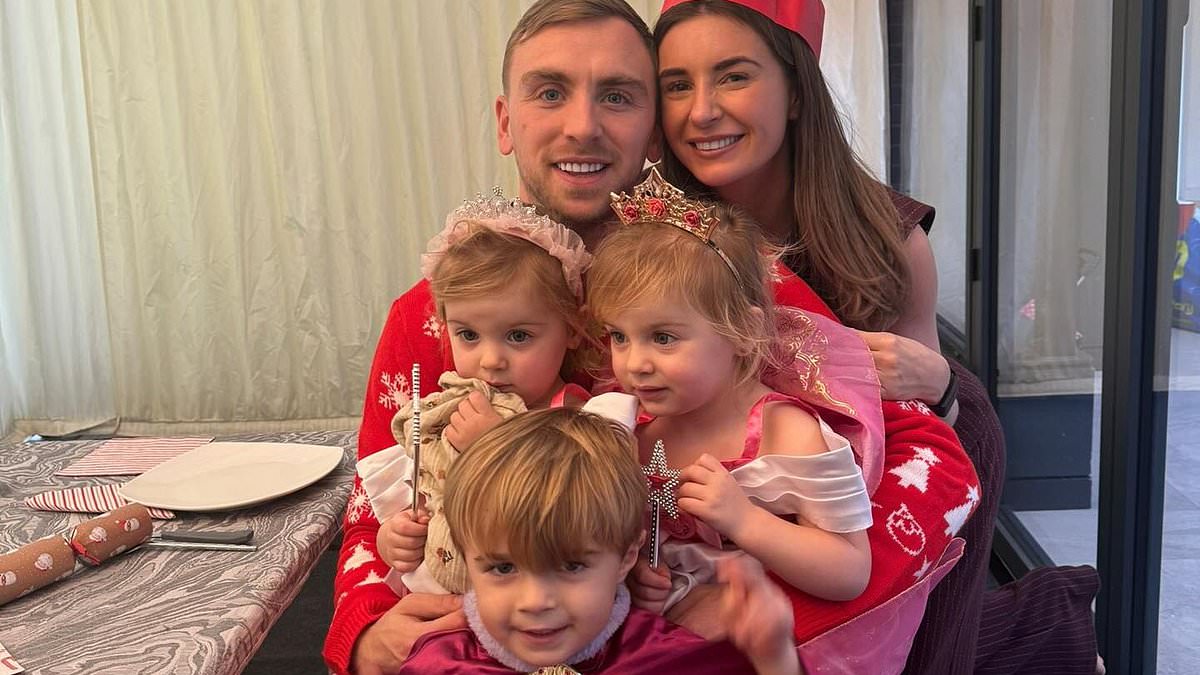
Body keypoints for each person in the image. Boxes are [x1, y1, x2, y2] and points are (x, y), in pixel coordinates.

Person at [324, 1, 979, 673]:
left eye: (617, 96)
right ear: (505, 122)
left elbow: (930, 455)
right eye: (549, 92)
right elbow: (372, 511)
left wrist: (755, 615)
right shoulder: (435, 311)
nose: (582, 126)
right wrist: (365, 634)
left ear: (655, 133)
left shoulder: (713, 272)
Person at [651, 1, 1099, 672]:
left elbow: (921, 434)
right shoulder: (653, 230)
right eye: (676, 84)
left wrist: (938, 381)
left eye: (734, 76)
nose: (702, 110)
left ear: (796, 89)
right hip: (726, 508)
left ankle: (1043, 616)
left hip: (875, 490)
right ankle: (1045, 618)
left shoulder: (885, 238)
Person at [589, 175, 878, 618]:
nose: (634, 364)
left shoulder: (786, 433)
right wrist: (637, 573)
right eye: (619, 336)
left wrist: (746, 520)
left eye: (663, 338)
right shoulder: (624, 424)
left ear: (743, 331)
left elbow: (850, 571)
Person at [397, 406, 801, 674]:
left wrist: (773, 659)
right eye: (503, 568)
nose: (535, 602)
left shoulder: (666, 657)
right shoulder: (438, 663)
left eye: (572, 566)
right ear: (467, 557)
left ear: (626, 557)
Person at [361, 191, 596, 596]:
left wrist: (497, 446)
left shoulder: (574, 417)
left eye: (518, 336)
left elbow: (586, 516)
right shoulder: (447, 410)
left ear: (573, 329)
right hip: (438, 599)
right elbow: (419, 494)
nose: (490, 361)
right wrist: (395, 538)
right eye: (468, 335)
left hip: (536, 601)